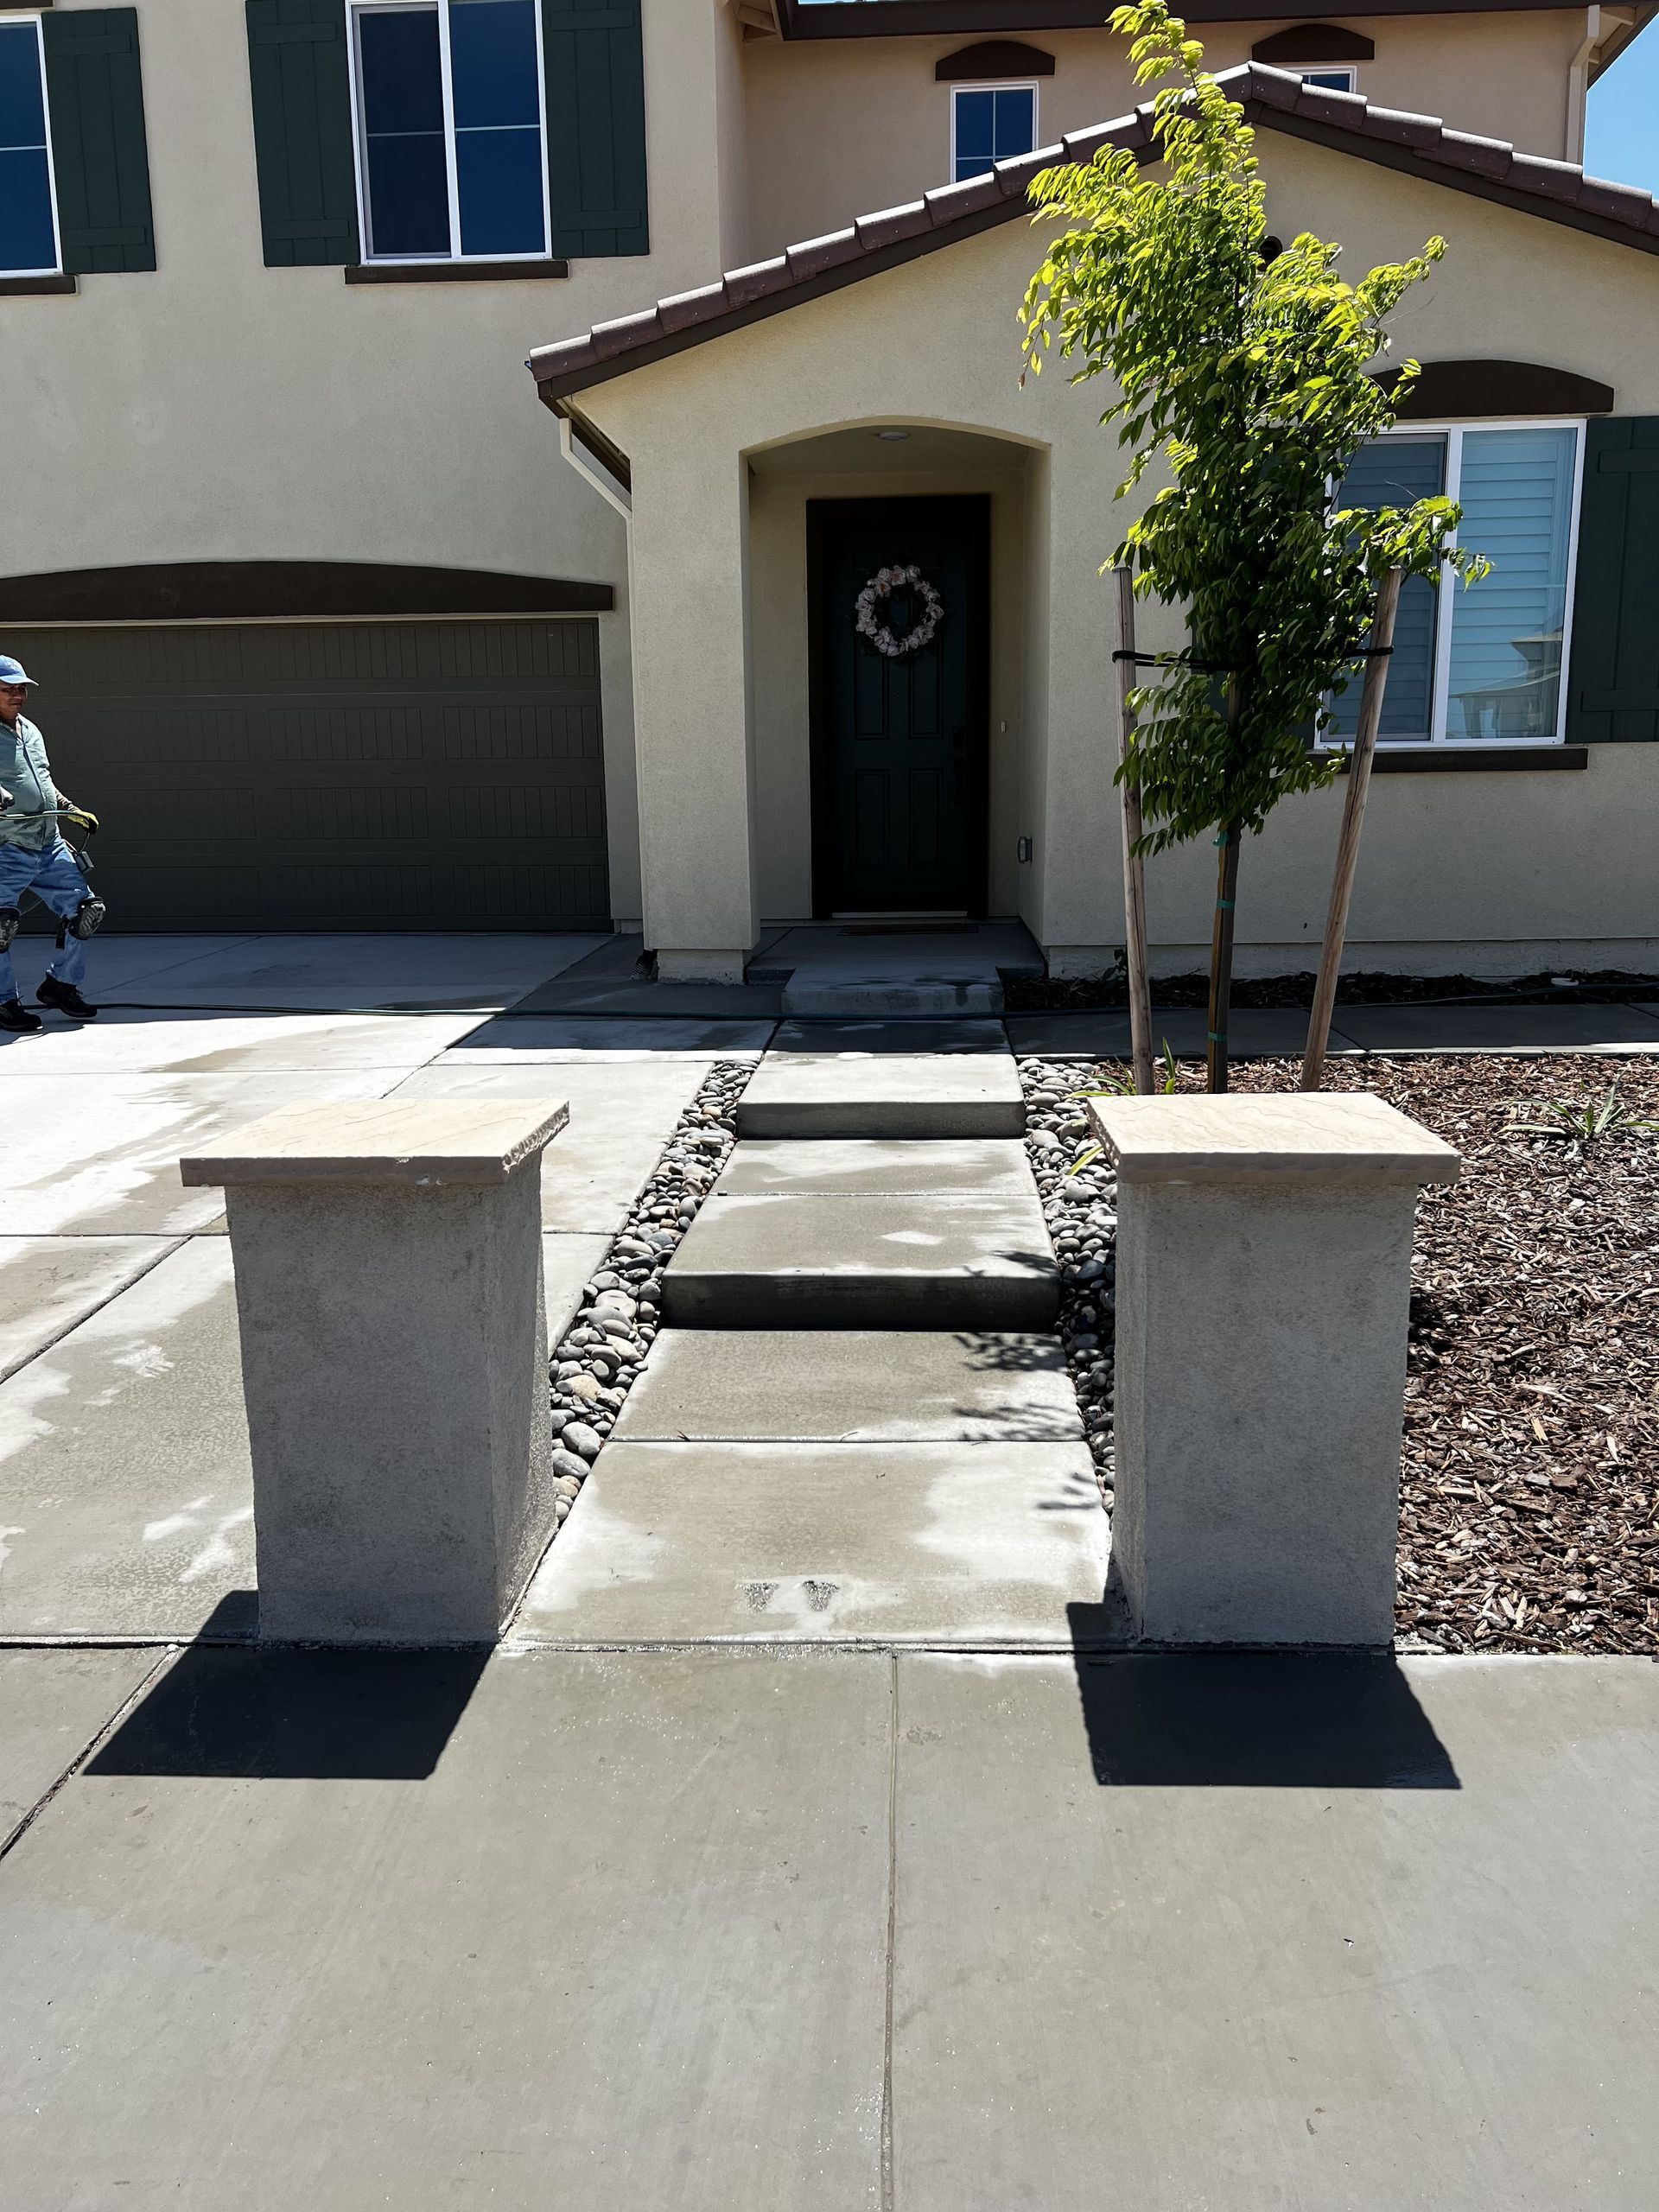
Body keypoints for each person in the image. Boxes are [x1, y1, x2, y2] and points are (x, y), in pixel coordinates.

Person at [0, 655, 103, 1032]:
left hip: (50, 843)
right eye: (8, 688)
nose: (18, 695)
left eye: (21, 688)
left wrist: (70, 808)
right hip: (6, 848)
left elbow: (43, 781)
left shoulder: (31, 730)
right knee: (0, 926)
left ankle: (60, 985)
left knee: (86, 911)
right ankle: (4, 1002)